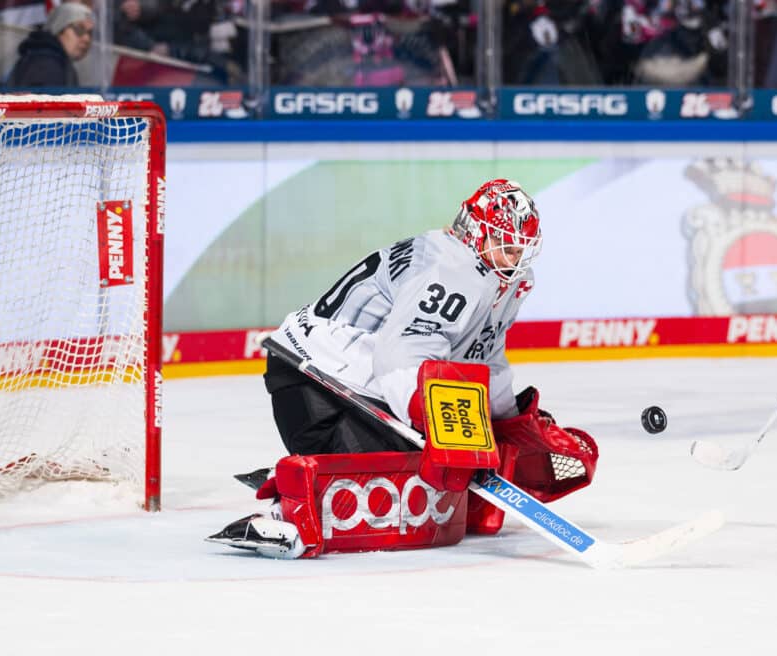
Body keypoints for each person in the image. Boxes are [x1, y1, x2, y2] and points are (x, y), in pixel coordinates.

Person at [210, 179, 599, 558]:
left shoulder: (500, 278)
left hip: (353, 378)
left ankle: (316, 472)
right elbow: (399, 357)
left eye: (521, 250)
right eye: (506, 247)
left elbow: (485, 357)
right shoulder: (452, 269)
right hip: (312, 378)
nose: (515, 260)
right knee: (415, 474)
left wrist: (511, 424)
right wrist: (436, 425)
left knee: (443, 472)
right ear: (477, 234)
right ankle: (290, 501)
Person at [7, 2, 95, 88]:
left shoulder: (53, 61)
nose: (86, 39)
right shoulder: (45, 65)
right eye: (79, 29)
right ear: (58, 29)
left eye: (90, 33)